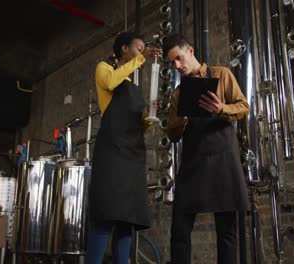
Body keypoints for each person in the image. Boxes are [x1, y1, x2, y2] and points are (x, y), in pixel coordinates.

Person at [162, 33, 250, 263]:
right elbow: (172, 136)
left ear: (190, 51)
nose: (177, 66)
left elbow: (243, 107)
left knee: (227, 234)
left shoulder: (221, 74)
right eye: (172, 63)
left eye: (179, 58)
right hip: (193, 163)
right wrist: (180, 122)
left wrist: (221, 109)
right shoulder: (178, 94)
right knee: (179, 232)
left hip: (223, 160)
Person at [87, 32, 162, 264]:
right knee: (105, 217)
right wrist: (140, 60)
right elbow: (111, 82)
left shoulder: (135, 88)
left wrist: (149, 116)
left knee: (126, 221)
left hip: (133, 157)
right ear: (123, 49)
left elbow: (138, 127)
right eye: (138, 47)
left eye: (142, 49)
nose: (142, 51)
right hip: (112, 154)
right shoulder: (104, 70)